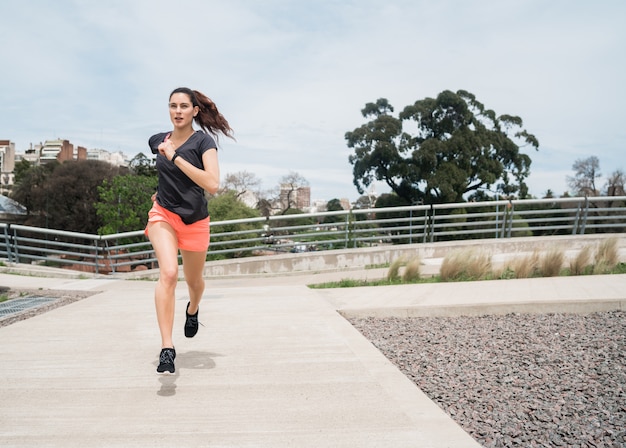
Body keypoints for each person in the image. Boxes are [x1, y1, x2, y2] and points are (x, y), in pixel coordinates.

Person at [145, 87, 233, 374]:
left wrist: (175, 157)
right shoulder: (157, 140)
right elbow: (166, 176)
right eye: (173, 105)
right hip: (163, 216)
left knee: (195, 281)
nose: (178, 111)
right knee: (169, 273)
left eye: (184, 106)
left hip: (195, 221)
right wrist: (159, 193)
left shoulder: (203, 142)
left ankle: (193, 309)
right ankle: (167, 348)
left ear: (195, 110)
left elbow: (212, 183)